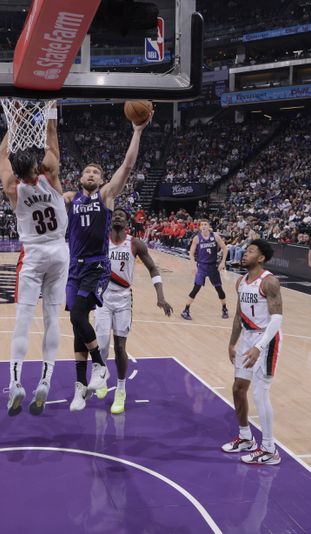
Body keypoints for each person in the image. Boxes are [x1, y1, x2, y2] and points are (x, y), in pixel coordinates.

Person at [64, 107, 153, 411]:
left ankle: (100, 366)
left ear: (101, 180)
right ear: (80, 178)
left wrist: (137, 131)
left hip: (96, 266)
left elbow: (127, 165)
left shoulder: (105, 197)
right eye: (87, 172)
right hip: (73, 268)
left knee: (78, 316)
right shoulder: (69, 199)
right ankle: (79, 386)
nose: (92, 174)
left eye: (96, 173)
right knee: (78, 324)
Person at [0, 101, 67, 416]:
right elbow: (51, 136)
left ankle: (15, 384)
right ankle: (46, 381)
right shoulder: (51, 177)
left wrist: (15, 123)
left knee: (23, 320)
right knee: (52, 319)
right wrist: (50, 108)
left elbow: (1, 157)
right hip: (59, 252)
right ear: (37, 168)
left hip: (34, 253)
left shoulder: (13, 188)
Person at [94, 208, 173, 414]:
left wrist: (161, 297)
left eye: (122, 215)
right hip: (102, 297)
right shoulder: (100, 241)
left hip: (123, 300)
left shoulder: (135, 244)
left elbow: (153, 269)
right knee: (101, 346)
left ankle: (121, 390)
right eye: (115, 214)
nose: (118, 216)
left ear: (128, 222)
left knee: (120, 347)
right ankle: (102, 375)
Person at [223, 239, 283, 465]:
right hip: (247, 338)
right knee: (238, 389)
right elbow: (239, 315)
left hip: (266, 339)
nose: (244, 254)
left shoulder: (269, 282)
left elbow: (277, 319)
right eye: (245, 250)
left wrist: (259, 347)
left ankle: (269, 449)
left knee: (259, 393)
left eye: (250, 251)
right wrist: (232, 343)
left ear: (261, 258)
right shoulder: (240, 282)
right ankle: (246, 438)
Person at [180, 219, 229, 320]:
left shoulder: (215, 236)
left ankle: (224, 309)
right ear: (199, 227)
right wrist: (193, 265)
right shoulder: (197, 238)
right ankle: (186, 310)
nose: (203, 226)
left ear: (209, 226)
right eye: (202, 225)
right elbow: (191, 253)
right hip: (201, 266)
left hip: (213, 266)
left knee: (219, 289)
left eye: (205, 224)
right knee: (196, 288)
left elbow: (225, 248)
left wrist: (223, 262)